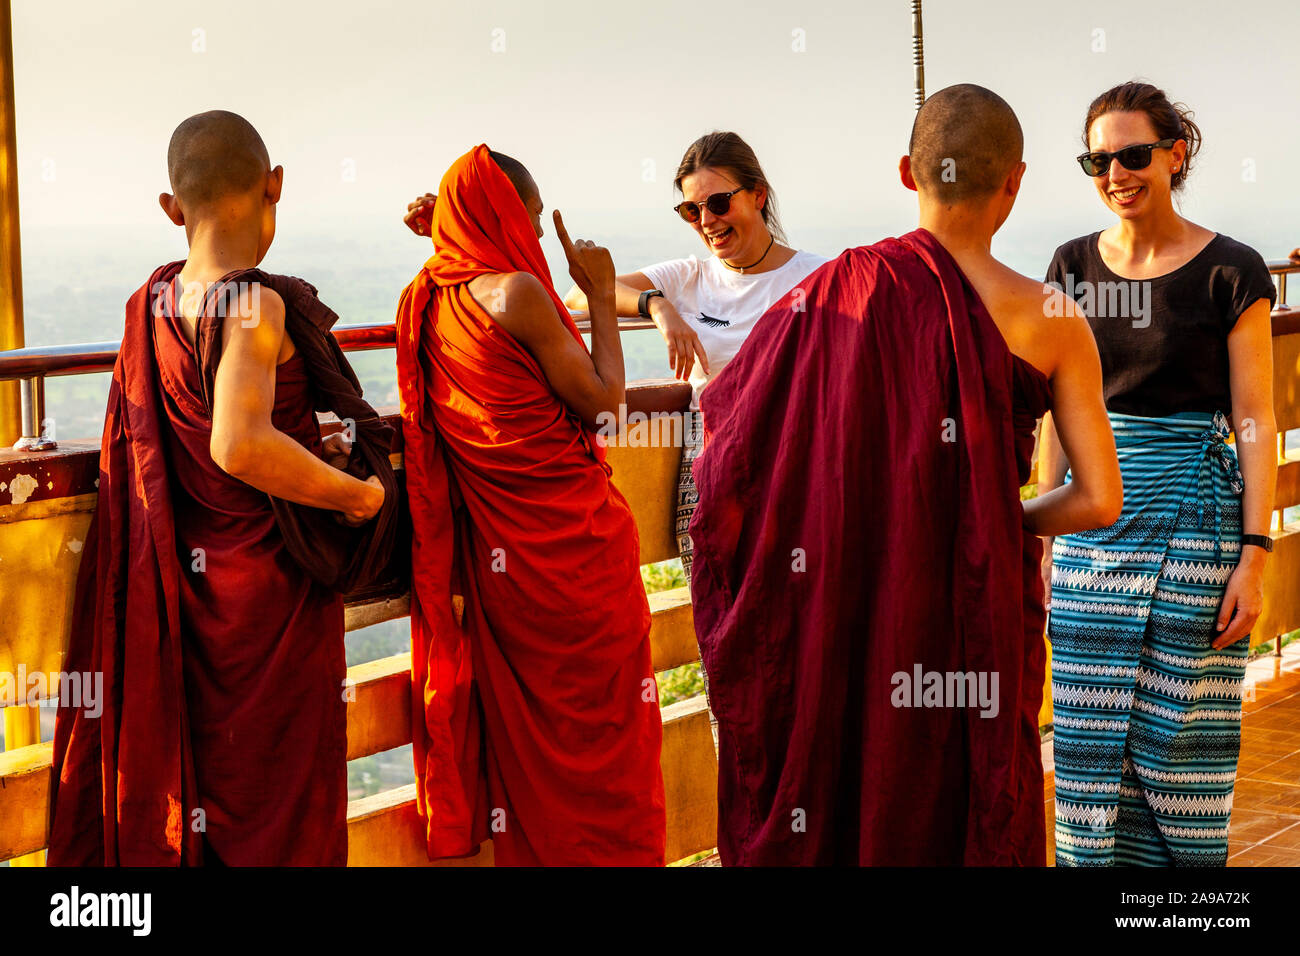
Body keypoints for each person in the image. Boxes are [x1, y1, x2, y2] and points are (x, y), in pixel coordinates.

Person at [687, 84, 1122, 865]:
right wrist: (992, 516)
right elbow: (1098, 498)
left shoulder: (829, 293)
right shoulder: (1052, 317)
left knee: (855, 770)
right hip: (971, 604)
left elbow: (734, 431)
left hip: (849, 595)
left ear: (904, 172)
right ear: (1014, 182)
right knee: (966, 784)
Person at [47, 110, 386, 866]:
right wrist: (355, 496)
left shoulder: (152, 303)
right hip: (270, 603)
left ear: (172, 209)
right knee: (281, 807)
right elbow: (239, 443)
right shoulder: (255, 303)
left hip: (185, 606)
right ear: (276, 187)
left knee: (202, 794)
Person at [395, 145, 665, 866]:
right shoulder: (518, 292)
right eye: (535, 219)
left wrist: (442, 232)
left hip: (509, 574)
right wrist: (600, 292)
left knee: (537, 761)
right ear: (504, 218)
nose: (543, 238)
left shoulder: (430, 296)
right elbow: (605, 405)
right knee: (611, 758)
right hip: (582, 561)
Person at [1040, 82, 1278, 867]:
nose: (1116, 173)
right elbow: (1053, 415)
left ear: (1176, 154)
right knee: (1085, 741)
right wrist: (1043, 536)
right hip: (1090, 535)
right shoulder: (1069, 267)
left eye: (1133, 155)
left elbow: (1254, 419)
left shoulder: (1234, 270)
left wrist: (1256, 551)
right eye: (1097, 160)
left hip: (1198, 532)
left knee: (1182, 742)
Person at [558, 131, 827, 582]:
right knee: (715, 606)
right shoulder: (687, 277)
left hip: (793, 462)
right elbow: (578, 294)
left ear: (758, 195)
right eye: (691, 210)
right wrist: (657, 306)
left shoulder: (818, 276)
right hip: (711, 465)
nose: (706, 220)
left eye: (719, 203)